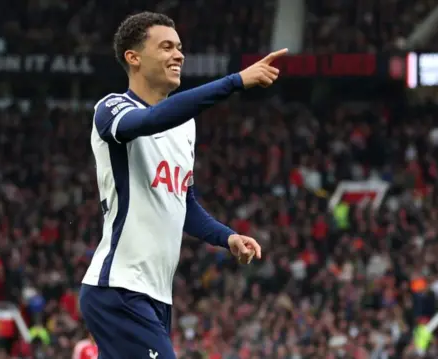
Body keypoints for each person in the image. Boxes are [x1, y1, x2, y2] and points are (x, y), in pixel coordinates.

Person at [79, 11, 287, 359]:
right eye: (165, 47)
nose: (179, 55)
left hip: (157, 295)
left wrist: (227, 237)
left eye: (179, 47)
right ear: (133, 57)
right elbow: (151, 119)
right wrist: (234, 81)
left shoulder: (184, 127)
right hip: (118, 288)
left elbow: (183, 204)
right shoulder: (112, 109)